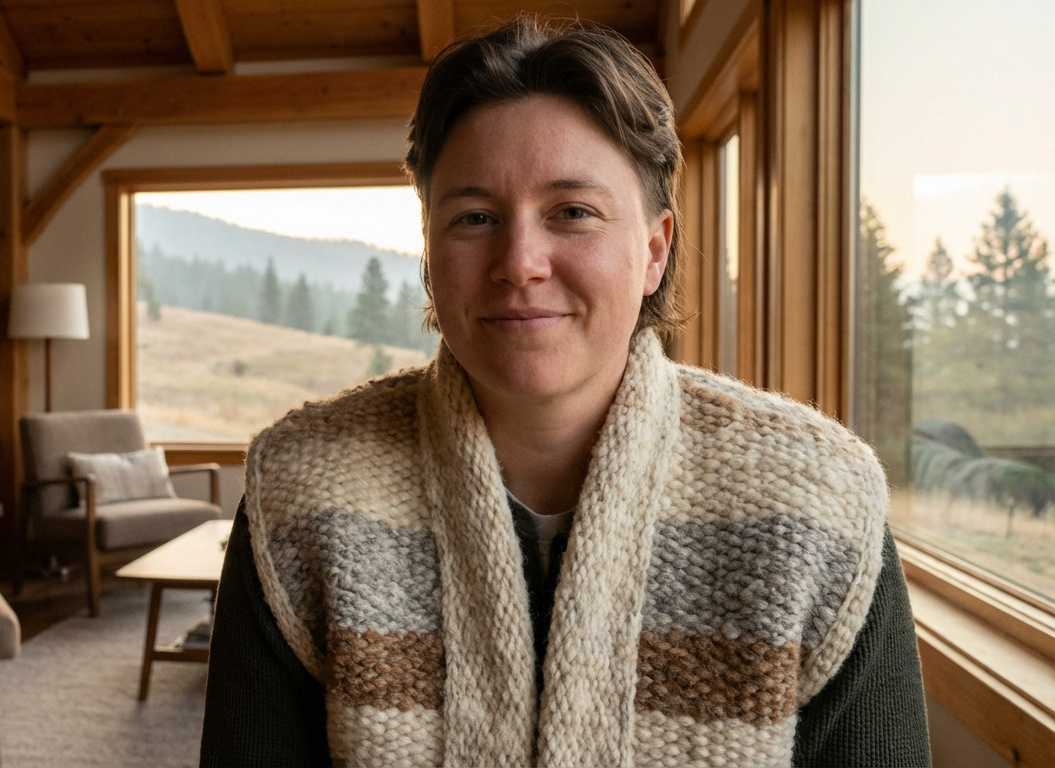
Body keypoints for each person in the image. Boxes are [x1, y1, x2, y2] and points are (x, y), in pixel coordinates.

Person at [200, 16, 930, 768]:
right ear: (427, 253)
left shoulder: (818, 504)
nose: (519, 261)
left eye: (572, 213)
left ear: (654, 251)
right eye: (474, 217)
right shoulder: (302, 494)